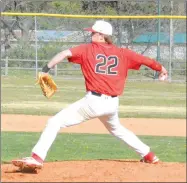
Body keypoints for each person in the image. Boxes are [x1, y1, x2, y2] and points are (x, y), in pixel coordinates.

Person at [12, 20, 168, 170]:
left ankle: (37, 158)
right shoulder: (123, 53)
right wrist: (161, 69)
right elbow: (146, 60)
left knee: (54, 122)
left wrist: (45, 69)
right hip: (112, 104)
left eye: (93, 33)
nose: (90, 35)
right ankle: (148, 155)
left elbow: (64, 53)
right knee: (117, 129)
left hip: (94, 102)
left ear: (101, 36)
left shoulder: (88, 49)